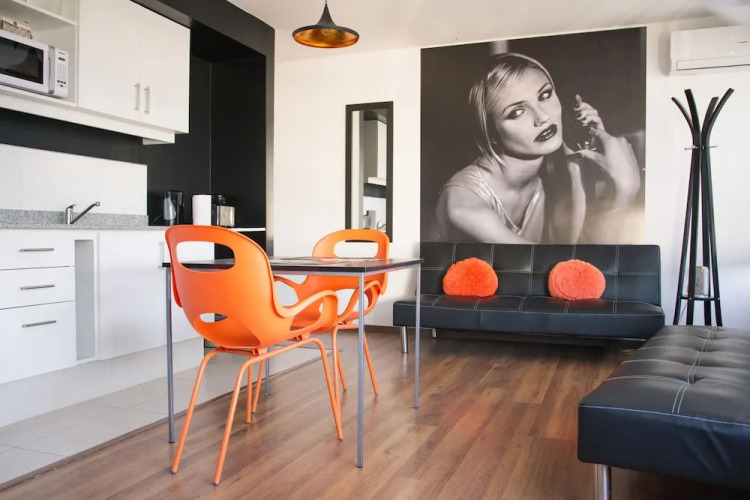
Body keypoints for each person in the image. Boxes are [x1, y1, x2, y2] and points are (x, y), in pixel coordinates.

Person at [432, 52, 642, 244]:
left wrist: (577, 165)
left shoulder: (544, 180)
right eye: (517, 112)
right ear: (491, 134)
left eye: (545, 95)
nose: (542, 117)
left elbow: (573, 248)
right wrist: (624, 192)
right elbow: (557, 267)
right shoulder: (462, 205)